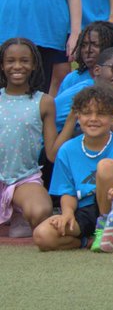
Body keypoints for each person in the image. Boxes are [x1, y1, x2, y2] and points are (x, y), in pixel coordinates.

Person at [34, 83, 113, 252]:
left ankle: (109, 230)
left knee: (106, 166)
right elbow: (68, 193)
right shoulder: (67, 150)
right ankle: (87, 241)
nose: (93, 118)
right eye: (87, 113)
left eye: (101, 113)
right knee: (42, 235)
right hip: (84, 211)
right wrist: (67, 214)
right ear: (78, 116)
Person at [0, 38, 55, 237]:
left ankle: (20, 212)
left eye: (24, 61)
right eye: (10, 61)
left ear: (34, 65)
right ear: (2, 65)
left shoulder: (44, 101)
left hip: (23, 178)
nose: (17, 66)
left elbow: (52, 154)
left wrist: (71, 120)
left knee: (40, 212)